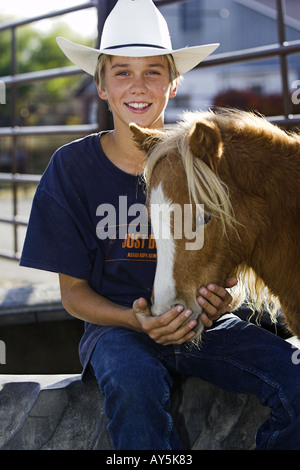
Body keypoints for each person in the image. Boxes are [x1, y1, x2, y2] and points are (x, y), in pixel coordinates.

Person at [20, 0, 300, 450]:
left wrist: (220, 298)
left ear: (173, 85)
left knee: (296, 376)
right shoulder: (69, 169)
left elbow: (234, 259)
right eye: (122, 72)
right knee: (134, 386)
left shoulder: (209, 161)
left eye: (153, 71)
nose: (138, 85)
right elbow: (72, 295)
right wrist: (134, 320)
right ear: (100, 84)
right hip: (117, 326)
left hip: (202, 326)